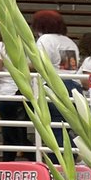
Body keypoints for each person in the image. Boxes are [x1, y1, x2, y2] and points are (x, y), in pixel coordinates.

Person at [30, 10, 80, 149]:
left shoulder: (44, 40)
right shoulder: (69, 42)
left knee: (55, 128)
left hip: (53, 86)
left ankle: (63, 158)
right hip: (72, 85)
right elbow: (69, 66)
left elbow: (39, 64)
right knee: (66, 126)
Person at [0, 39, 31, 160]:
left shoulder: (1, 46)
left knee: (11, 135)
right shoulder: (27, 46)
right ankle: (9, 162)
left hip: (7, 94)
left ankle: (9, 162)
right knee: (17, 132)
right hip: (24, 92)